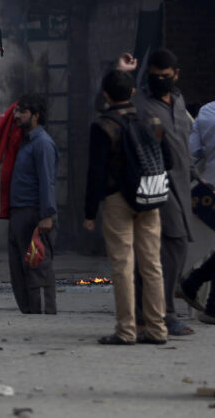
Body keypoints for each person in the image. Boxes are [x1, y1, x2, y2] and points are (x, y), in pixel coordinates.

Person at [84, 70, 168, 345]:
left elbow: (95, 171)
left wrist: (89, 212)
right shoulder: (151, 119)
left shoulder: (103, 125)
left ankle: (127, 330)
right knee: (152, 265)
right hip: (149, 196)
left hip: (118, 199)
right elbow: (168, 159)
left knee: (123, 266)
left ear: (106, 94)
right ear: (132, 93)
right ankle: (157, 330)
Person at [128, 49, 197, 336]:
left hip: (182, 184)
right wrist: (121, 73)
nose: (159, 81)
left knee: (169, 249)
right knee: (170, 245)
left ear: (175, 75)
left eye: (165, 77)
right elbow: (104, 103)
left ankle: (151, 312)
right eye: (154, 76)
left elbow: (182, 143)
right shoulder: (139, 101)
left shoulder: (178, 101)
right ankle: (164, 312)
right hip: (155, 184)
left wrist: (196, 175)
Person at [6, 94, 59, 314]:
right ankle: (29, 313)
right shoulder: (22, 143)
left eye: (23, 112)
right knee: (19, 269)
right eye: (17, 111)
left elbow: (47, 181)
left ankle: (44, 316)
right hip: (18, 214)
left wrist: (47, 215)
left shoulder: (42, 144)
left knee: (38, 267)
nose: (17, 116)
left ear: (36, 116)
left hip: (35, 214)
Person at [179, 99, 215, 325]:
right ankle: (209, 304)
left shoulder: (207, 111)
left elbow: (193, 152)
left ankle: (193, 284)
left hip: (210, 186)